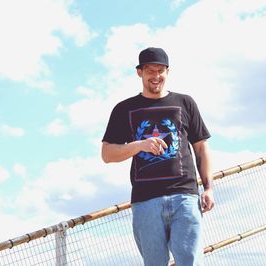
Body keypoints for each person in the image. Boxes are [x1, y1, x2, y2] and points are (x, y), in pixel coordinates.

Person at [101, 47, 214, 266]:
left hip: (186, 197)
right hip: (145, 201)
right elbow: (107, 154)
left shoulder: (185, 102)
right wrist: (139, 145)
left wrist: (208, 188)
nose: (156, 76)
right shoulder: (124, 109)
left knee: (191, 262)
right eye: (150, 71)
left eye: (160, 70)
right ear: (139, 72)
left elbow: (201, 148)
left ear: (168, 71)